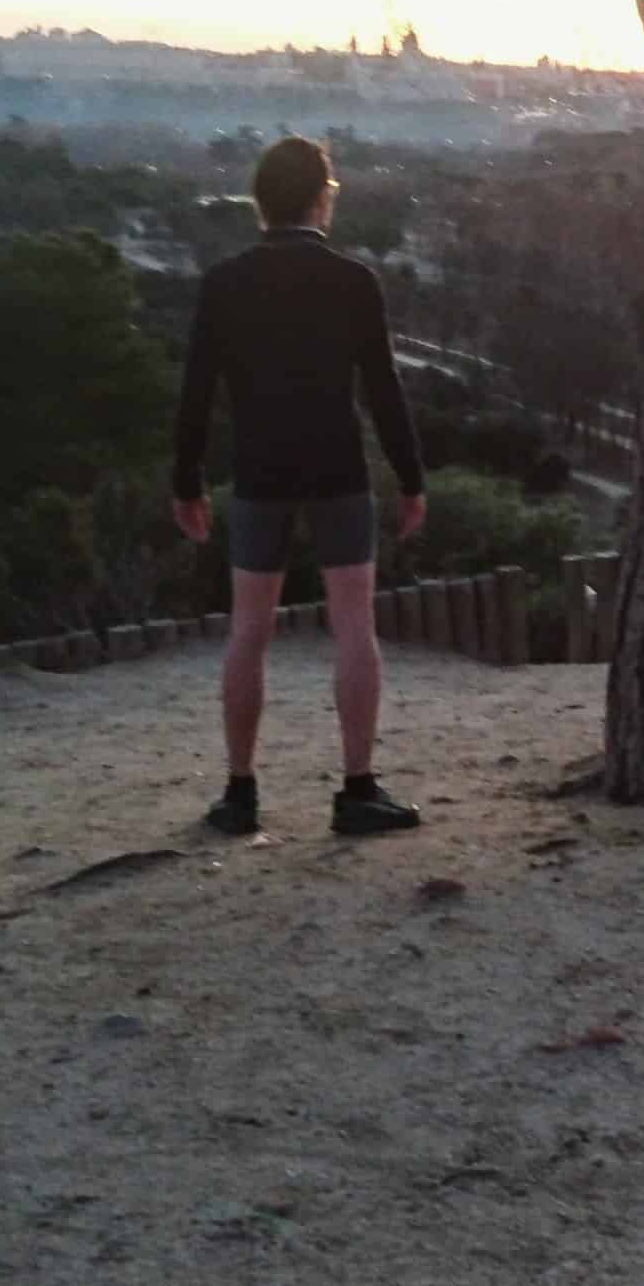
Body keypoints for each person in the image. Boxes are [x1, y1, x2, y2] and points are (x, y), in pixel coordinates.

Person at [170, 135, 429, 837]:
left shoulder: (224, 284)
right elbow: (383, 390)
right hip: (339, 469)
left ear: (259, 204)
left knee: (248, 633)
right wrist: (411, 479)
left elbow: (196, 392)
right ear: (324, 198)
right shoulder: (353, 282)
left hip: (258, 473)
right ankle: (356, 790)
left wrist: (186, 480)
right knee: (354, 629)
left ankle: (240, 794)